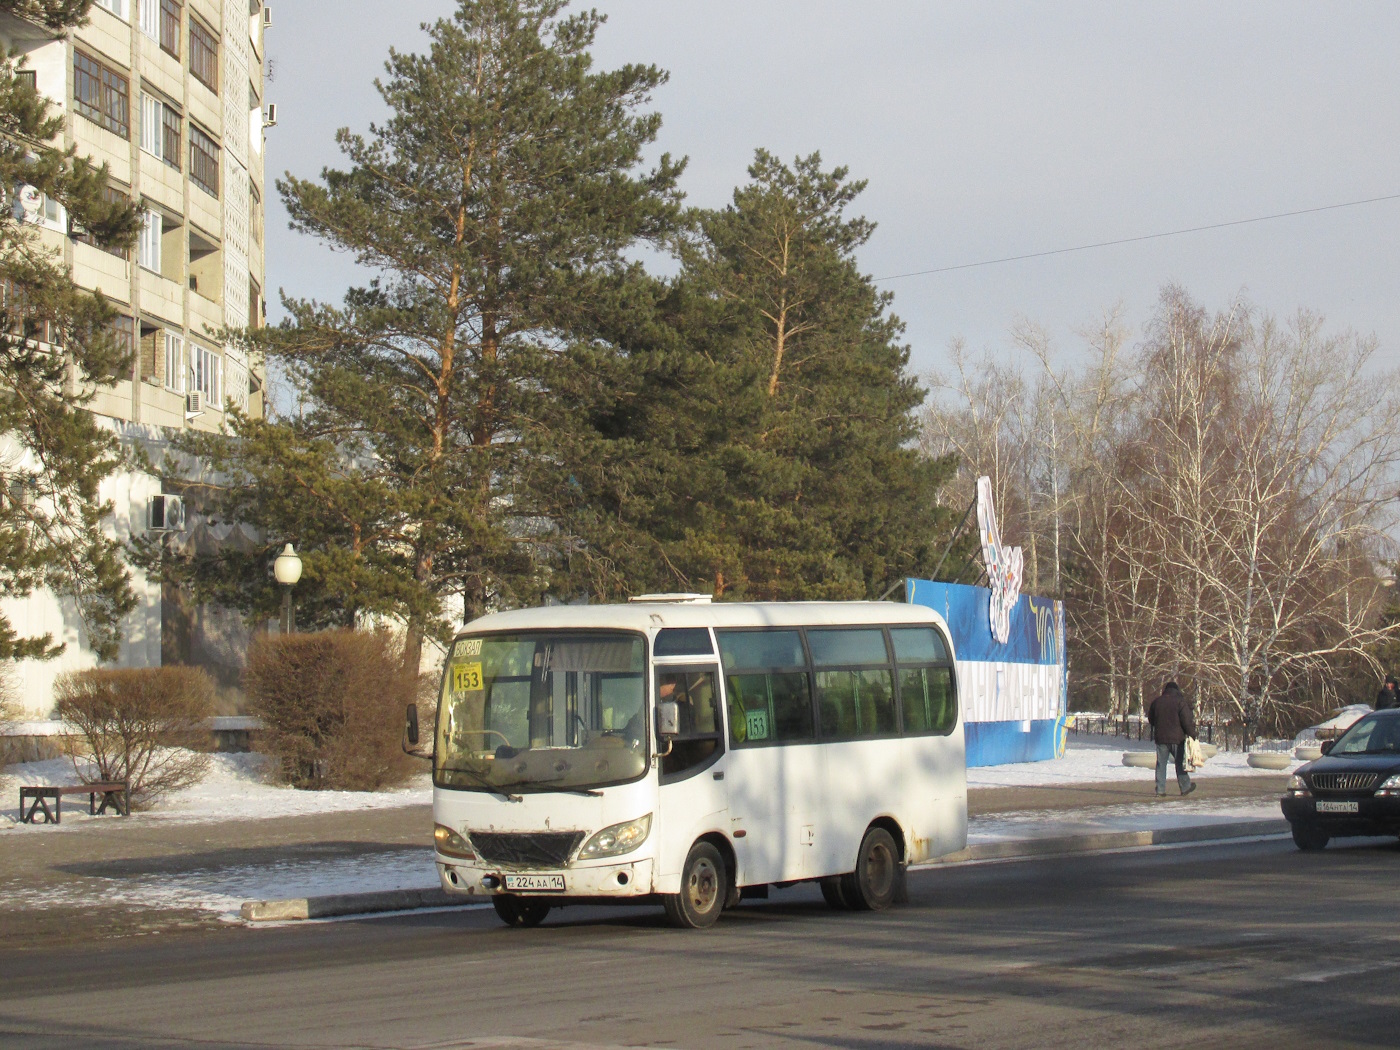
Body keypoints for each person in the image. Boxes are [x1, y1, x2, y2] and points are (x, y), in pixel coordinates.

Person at [1147, 681, 1197, 797]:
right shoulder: (1180, 702)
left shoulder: (1157, 702)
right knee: (1179, 763)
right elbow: (1186, 720)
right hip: (1177, 739)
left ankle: (1160, 790)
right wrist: (1192, 734)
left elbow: (1151, 720)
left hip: (1161, 738)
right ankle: (1185, 787)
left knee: (1161, 764)